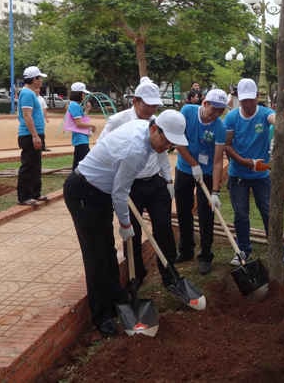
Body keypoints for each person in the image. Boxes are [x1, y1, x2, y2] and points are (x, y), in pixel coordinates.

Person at [64, 110, 189, 337]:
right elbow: (120, 193)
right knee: (95, 256)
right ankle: (101, 316)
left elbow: (117, 189)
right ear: (154, 129)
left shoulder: (145, 129)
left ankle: (118, 301)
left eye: (172, 143)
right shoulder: (136, 150)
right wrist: (126, 225)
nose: (166, 147)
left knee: (108, 252)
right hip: (83, 192)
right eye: (166, 140)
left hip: (99, 192)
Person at [97, 77, 177, 287]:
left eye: (154, 105)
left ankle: (169, 273)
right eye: (147, 104)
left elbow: (161, 153)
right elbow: (101, 147)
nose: (151, 109)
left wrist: (168, 179)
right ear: (135, 101)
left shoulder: (157, 123)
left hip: (155, 182)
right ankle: (136, 275)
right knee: (131, 231)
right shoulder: (118, 120)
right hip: (129, 185)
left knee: (163, 227)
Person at [224, 78, 284, 267]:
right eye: (244, 100)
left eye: (251, 99)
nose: (248, 104)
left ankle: (279, 251)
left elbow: (273, 119)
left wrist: (281, 119)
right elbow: (227, 145)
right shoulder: (232, 118)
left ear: (257, 97)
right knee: (241, 214)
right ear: (238, 99)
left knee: (268, 212)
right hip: (238, 174)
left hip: (261, 175)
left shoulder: (264, 113)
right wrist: (246, 162)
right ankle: (243, 250)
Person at [174, 88, 228, 275]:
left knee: (206, 213)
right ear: (204, 103)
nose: (217, 114)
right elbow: (178, 142)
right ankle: (186, 249)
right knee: (183, 209)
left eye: (221, 110)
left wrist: (215, 191)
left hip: (206, 173)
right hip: (184, 169)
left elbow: (218, 160)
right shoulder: (187, 112)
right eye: (214, 109)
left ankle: (205, 254)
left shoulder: (219, 127)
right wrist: (193, 164)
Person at [17, 66, 48, 206]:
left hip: (36, 134)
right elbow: (27, 116)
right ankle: (24, 196)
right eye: (39, 78)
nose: (41, 81)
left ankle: (35, 193)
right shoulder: (27, 94)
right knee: (28, 165)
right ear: (34, 79)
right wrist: (35, 136)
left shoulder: (31, 93)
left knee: (36, 165)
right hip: (29, 135)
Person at [65, 82, 95, 170]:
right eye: (84, 94)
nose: (84, 96)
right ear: (79, 94)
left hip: (81, 139)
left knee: (79, 164)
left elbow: (80, 119)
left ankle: (73, 181)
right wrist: (92, 126)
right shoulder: (74, 105)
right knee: (85, 164)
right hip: (80, 139)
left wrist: (87, 110)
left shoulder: (75, 105)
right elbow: (79, 123)